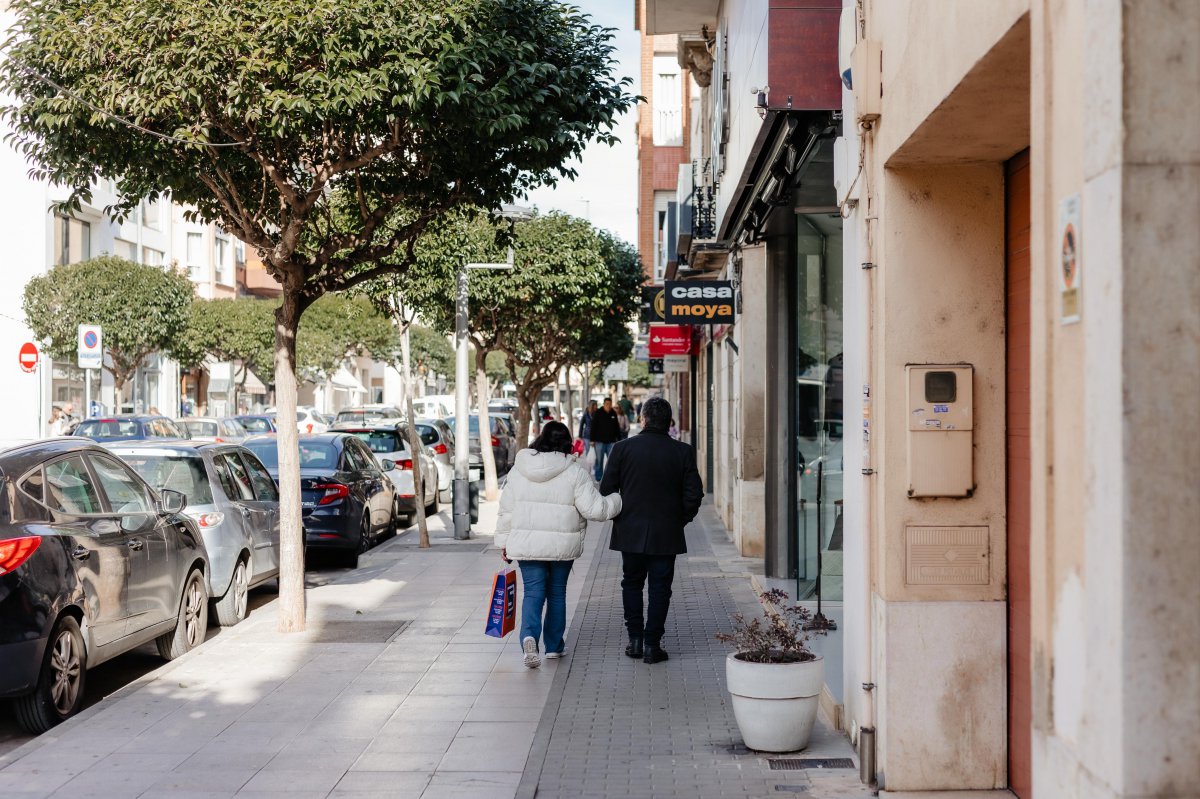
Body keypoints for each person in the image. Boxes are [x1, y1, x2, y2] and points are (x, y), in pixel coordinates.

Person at [495, 421, 622, 668]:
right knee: (556, 593)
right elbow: (595, 510)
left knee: (533, 593)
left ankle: (529, 637)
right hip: (562, 547)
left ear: (540, 439)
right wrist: (618, 499)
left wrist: (504, 543)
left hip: (528, 546)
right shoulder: (574, 472)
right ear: (566, 442)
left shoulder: (519, 470)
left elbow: (506, 510)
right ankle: (554, 646)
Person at [600, 396, 703, 664]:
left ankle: (635, 640)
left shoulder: (622, 449)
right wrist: (680, 519)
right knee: (660, 588)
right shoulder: (682, 451)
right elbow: (695, 494)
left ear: (643, 419)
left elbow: (606, 490)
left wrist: (623, 516)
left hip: (630, 531)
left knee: (631, 584)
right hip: (666, 532)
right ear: (669, 423)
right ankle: (651, 644)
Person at [588, 397, 621, 481]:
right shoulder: (598, 413)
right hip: (599, 442)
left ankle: (610, 478)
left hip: (611, 441)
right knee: (599, 461)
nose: (608, 406)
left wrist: (619, 439)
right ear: (603, 404)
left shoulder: (613, 413)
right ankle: (599, 478)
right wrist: (592, 440)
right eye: (607, 404)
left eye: (610, 404)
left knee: (611, 461)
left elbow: (617, 427)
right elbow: (593, 427)